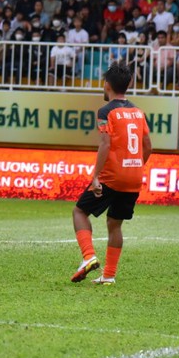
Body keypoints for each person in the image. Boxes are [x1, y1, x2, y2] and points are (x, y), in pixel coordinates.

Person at [70, 61, 152, 285]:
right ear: (130, 84)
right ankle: (109, 275)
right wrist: (136, 166)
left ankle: (88, 256)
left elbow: (105, 144)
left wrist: (95, 176)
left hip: (112, 176)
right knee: (115, 224)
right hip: (134, 177)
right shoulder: (138, 112)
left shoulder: (106, 112)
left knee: (79, 212)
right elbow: (148, 146)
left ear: (106, 84)